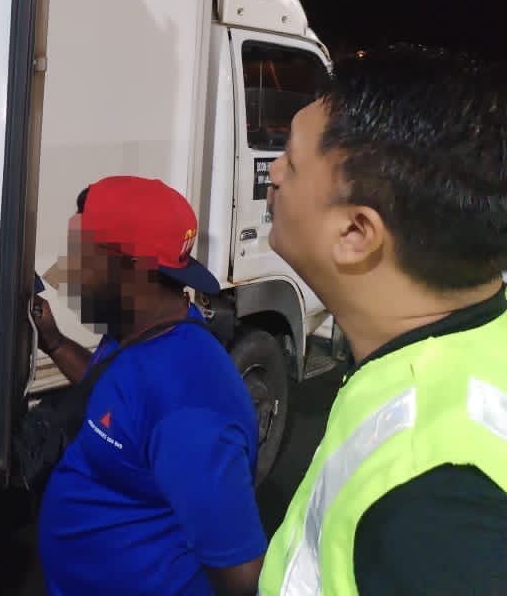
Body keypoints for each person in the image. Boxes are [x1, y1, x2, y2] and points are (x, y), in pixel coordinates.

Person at [257, 45, 507, 595]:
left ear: (355, 233)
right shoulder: (474, 340)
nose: (273, 173)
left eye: (290, 163)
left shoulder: (437, 510)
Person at [31, 176, 266, 596]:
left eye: (81, 255)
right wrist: (55, 343)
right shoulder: (138, 334)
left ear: (131, 269)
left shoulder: (192, 407)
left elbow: (244, 579)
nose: (70, 271)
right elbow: (119, 401)